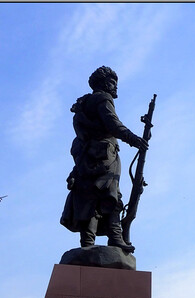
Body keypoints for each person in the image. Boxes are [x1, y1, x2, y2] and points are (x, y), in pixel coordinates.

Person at [61, 66, 148, 253]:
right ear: (102, 84)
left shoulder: (83, 105)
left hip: (86, 158)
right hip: (104, 157)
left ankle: (87, 244)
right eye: (112, 83)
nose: (115, 87)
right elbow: (113, 124)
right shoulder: (103, 99)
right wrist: (134, 139)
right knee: (111, 196)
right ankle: (116, 237)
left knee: (89, 200)